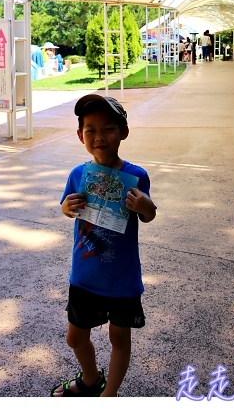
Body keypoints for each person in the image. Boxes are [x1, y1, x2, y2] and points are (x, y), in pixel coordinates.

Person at [52, 94, 157, 398]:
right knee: (75, 338)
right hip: (84, 275)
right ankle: (90, 378)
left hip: (121, 280)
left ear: (124, 132)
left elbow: (147, 215)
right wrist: (66, 207)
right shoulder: (77, 175)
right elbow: (67, 207)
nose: (99, 137)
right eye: (90, 130)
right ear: (80, 135)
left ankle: (108, 394)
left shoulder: (136, 176)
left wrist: (147, 206)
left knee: (119, 339)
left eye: (109, 128)